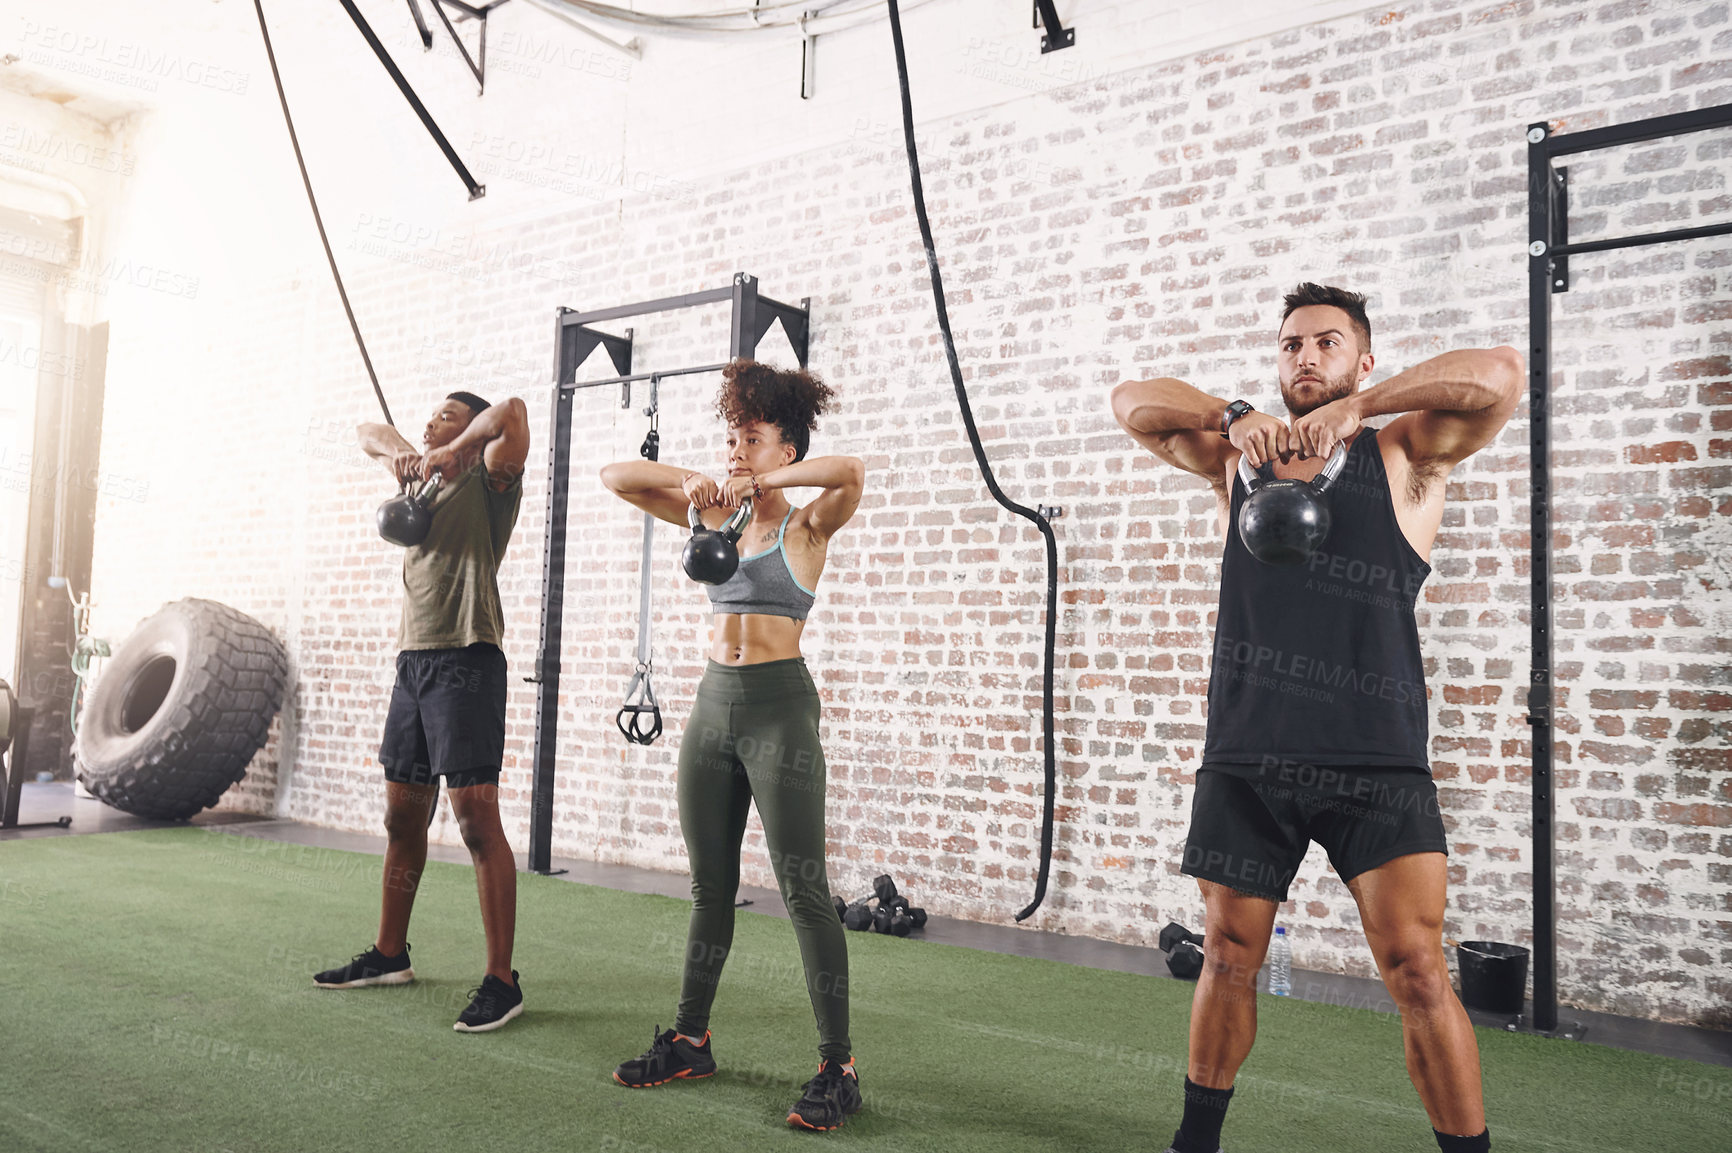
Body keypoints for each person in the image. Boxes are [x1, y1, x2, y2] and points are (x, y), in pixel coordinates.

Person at [1111, 283, 1523, 1153]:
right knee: (1227, 954)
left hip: (1376, 760)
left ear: (1362, 359)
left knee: (1416, 968)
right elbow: (1132, 403)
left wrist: (1363, 409)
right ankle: (1196, 1144)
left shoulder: (1407, 453)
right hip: (1249, 756)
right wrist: (1233, 413)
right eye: (1293, 344)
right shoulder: (1238, 461)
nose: (1308, 357)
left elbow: (1499, 374)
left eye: (1329, 344)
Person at [599, 358, 866, 1131]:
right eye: (731, 437)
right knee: (709, 887)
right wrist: (699, 485)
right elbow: (618, 475)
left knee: (804, 891)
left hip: (780, 711)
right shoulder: (709, 517)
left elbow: (849, 469)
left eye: (753, 439)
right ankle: (689, 1038)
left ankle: (837, 1064)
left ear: (787, 450)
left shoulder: (806, 524)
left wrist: (757, 484)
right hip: (712, 709)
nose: (736, 450)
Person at [313, 390, 531, 1034]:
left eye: (449, 415)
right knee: (400, 817)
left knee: (473, 821)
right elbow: (365, 429)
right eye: (432, 416)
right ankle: (389, 954)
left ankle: (502, 981)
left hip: (468, 657)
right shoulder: (424, 481)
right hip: (414, 661)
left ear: (472, 432)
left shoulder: (488, 478)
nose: (433, 420)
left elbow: (514, 411)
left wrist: (458, 450)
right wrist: (411, 456)